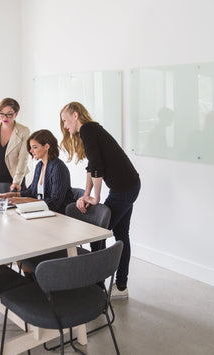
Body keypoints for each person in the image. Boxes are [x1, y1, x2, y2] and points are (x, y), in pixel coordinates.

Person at [60, 101, 140, 299]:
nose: (64, 126)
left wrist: (95, 197)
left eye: (65, 120)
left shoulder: (88, 129)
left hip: (124, 188)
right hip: (128, 186)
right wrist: (88, 194)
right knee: (121, 234)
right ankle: (121, 287)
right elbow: (92, 167)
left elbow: (97, 167)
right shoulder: (91, 131)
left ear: (75, 115)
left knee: (97, 235)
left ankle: (97, 288)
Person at [0, 129, 74, 214]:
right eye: (31, 148)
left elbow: (54, 202)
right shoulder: (39, 166)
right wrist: (13, 195)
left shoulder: (58, 167)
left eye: (35, 147)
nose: (31, 151)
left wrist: (23, 200)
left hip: (58, 215)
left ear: (46, 146)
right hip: (42, 212)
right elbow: (32, 191)